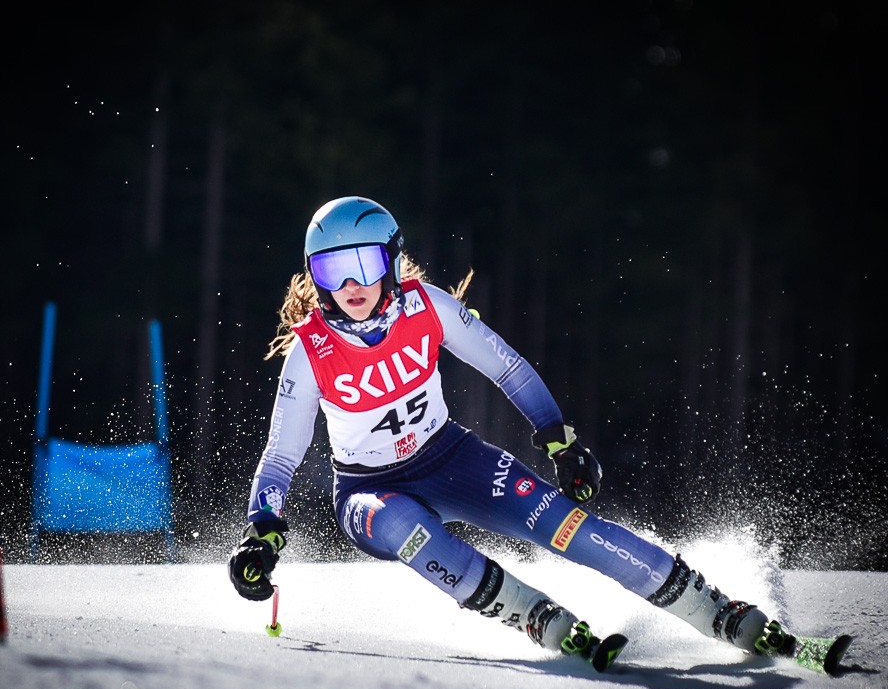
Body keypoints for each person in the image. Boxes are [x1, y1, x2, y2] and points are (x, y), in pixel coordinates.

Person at [229, 195, 794, 664]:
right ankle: (536, 617)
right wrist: (262, 531)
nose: (352, 284)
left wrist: (560, 440)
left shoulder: (429, 308)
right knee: (403, 523)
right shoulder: (309, 351)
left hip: (453, 460)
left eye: (366, 265)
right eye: (332, 270)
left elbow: (508, 368)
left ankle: (718, 611)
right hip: (367, 491)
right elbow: (280, 456)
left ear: (393, 263)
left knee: (567, 527)